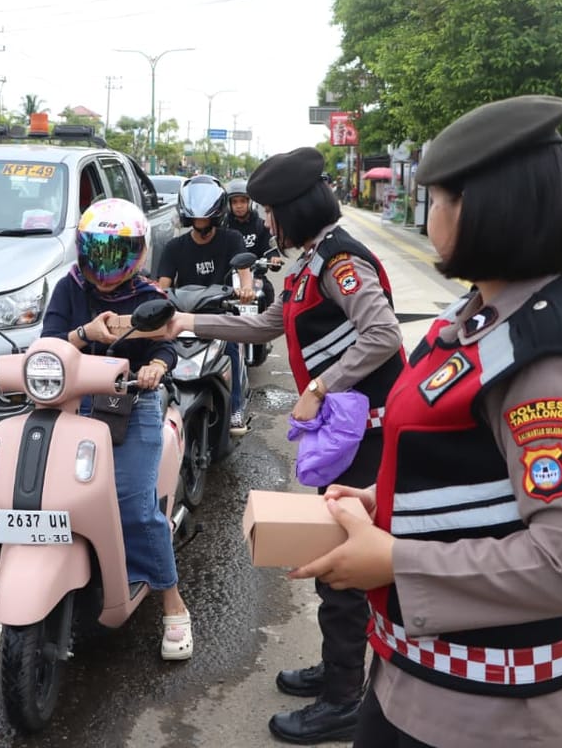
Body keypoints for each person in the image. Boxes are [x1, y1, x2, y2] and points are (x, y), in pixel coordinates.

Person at [290, 95, 562, 748]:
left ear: (486, 209)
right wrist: (380, 500)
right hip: (415, 679)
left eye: (439, 199)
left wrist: (394, 559)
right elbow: (472, 469)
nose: (430, 216)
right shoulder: (484, 314)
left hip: (492, 711)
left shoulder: (545, 359)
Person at [165, 147, 405, 744]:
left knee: (345, 564)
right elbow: (266, 325)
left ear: (294, 209)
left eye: (272, 212)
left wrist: (320, 387)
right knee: (334, 553)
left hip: (369, 432)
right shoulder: (309, 261)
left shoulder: (341, 260)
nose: (266, 222)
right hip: (349, 431)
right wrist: (186, 323)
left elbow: (383, 332)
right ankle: (338, 668)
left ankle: (344, 697)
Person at [0, 198, 193, 661]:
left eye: (117, 253)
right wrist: (86, 336)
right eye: (97, 251)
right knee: (22, 493)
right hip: (67, 402)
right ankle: (12, 586)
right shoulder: (69, 288)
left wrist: (156, 365)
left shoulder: (147, 298)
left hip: (129, 403)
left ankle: (172, 603)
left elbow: (169, 347)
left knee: (133, 505)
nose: (105, 265)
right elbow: (49, 345)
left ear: (136, 254)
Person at [157, 175, 255, 436]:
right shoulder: (174, 247)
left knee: (232, 349)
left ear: (216, 215)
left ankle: (235, 407)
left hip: (220, 315)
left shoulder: (232, 239)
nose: (201, 223)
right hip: (182, 317)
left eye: (206, 218)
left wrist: (246, 289)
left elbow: (244, 271)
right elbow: (162, 284)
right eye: (196, 218)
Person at [224, 178, 279, 310]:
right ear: (228, 204)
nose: (239, 205)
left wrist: (274, 259)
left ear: (250, 202)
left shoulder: (260, 225)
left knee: (267, 291)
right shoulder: (223, 227)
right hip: (229, 276)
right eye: (235, 202)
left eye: (243, 201)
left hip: (255, 274)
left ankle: (265, 324)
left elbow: (269, 250)